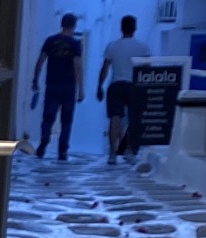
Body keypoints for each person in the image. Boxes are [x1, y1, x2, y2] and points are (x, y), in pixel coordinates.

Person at [96, 12, 151, 161]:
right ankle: (129, 151)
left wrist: (99, 86)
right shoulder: (143, 47)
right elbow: (146, 69)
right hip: (134, 85)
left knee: (114, 119)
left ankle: (112, 154)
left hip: (116, 85)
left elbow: (105, 68)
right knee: (134, 119)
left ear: (121, 28)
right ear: (135, 28)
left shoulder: (112, 46)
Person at [32, 12, 84, 161]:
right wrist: (81, 88)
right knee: (66, 120)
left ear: (62, 24)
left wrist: (35, 78)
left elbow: (41, 60)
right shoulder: (75, 44)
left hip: (52, 84)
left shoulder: (51, 41)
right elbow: (77, 66)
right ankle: (62, 150)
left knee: (48, 116)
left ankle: (44, 138)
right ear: (73, 26)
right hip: (68, 86)